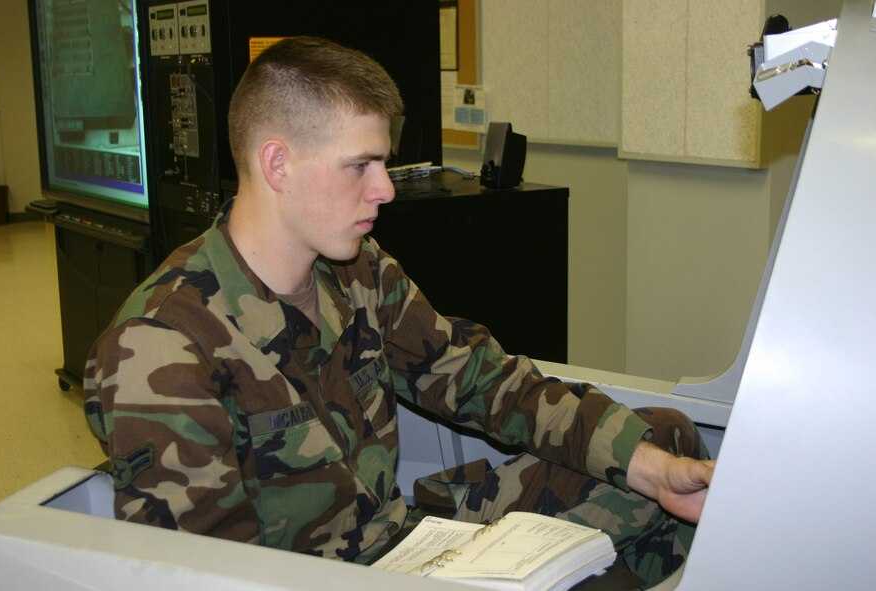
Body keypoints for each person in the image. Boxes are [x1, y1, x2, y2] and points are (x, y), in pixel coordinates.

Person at [83, 36, 714, 588]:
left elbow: (481, 381)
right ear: (277, 163)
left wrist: (652, 470)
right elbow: (205, 576)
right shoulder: (162, 345)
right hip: (316, 581)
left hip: (404, 541)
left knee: (663, 443)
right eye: (361, 165)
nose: (384, 188)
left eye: (382, 163)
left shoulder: (358, 270)